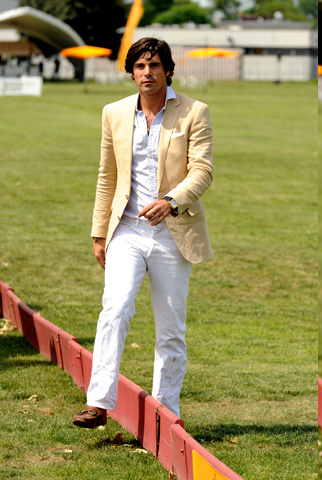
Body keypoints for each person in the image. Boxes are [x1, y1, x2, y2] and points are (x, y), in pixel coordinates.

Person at [72, 37, 213, 428]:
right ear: (131, 72)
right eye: (139, 66)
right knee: (115, 309)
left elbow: (203, 171)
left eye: (154, 65)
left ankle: (166, 414)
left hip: (173, 233)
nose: (147, 72)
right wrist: (99, 233)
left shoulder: (195, 111)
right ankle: (98, 403)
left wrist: (170, 200)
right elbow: (107, 175)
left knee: (171, 328)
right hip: (126, 231)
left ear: (168, 69)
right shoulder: (114, 112)